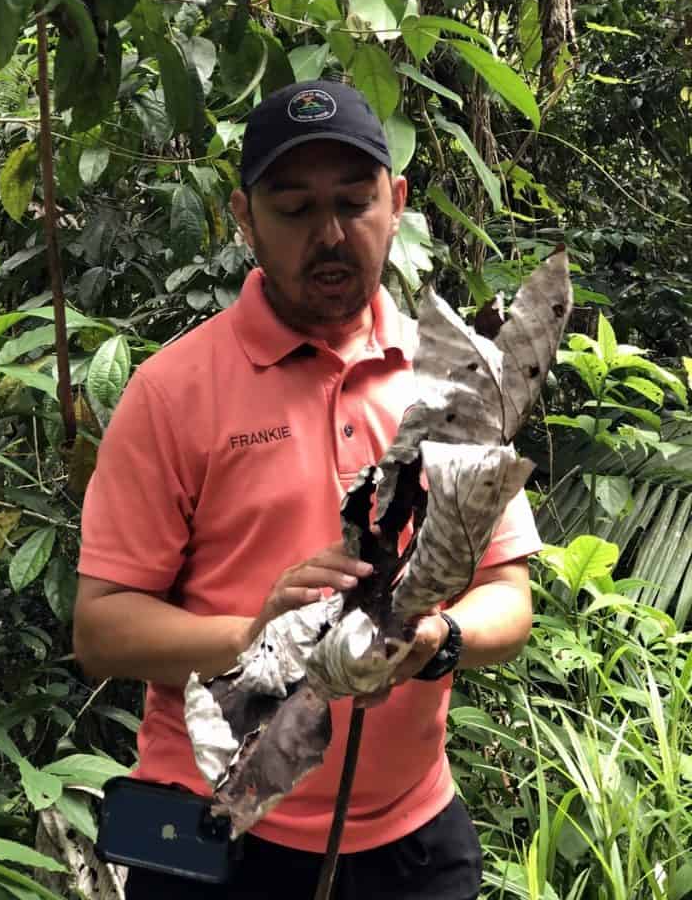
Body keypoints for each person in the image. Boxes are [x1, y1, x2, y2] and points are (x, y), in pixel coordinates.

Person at [74, 79, 541, 900]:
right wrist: (258, 636)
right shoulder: (174, 390)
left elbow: (509, 592)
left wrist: (439, 639)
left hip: (410, 840)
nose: (331, 236)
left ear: (395, 204)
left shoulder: (453, 380)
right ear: (243, 218)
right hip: (214, 835)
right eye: (293, 210)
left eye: (355, 203)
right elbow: (103, 630)